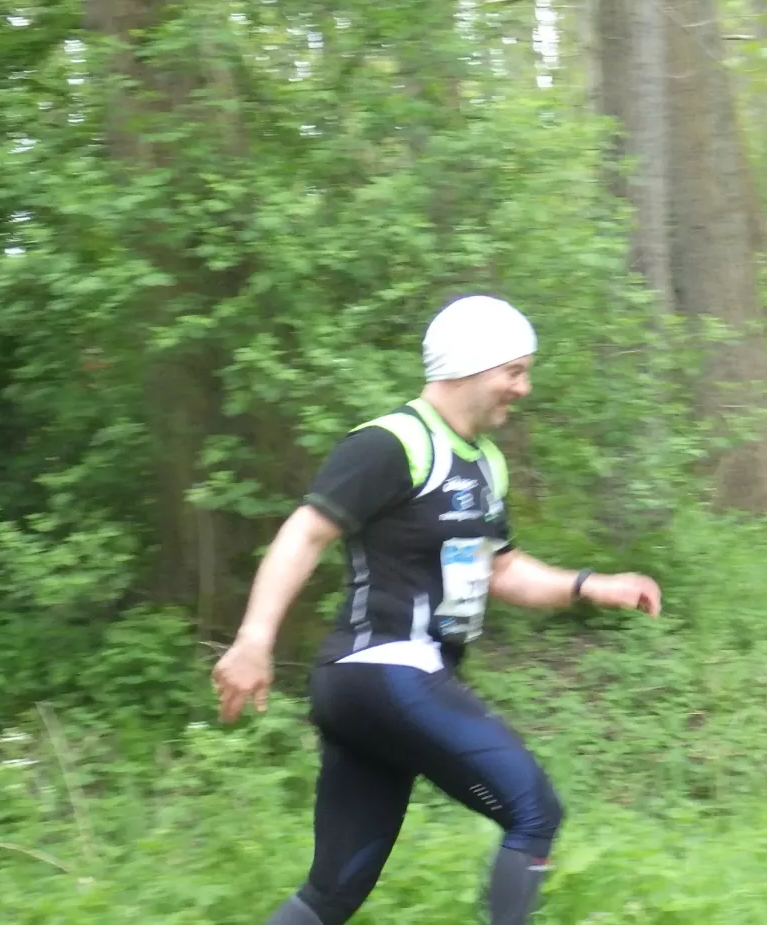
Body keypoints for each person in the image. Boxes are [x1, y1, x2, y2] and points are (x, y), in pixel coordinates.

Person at [210, 294, 662, 925]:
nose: (524, 388)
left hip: (377, 686)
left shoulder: (485, 464)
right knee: (534, 812)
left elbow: (503, 570)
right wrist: (254, 640)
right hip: (385, 669)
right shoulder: (390, 443)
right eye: (514, 371)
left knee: (333, 893)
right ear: (469, 365)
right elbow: (305, 534)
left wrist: (592, 585)